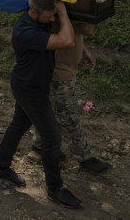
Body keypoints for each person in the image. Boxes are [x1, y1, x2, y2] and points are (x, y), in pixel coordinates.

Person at [0, 0, 82, 209]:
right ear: (33, 12)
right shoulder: (25, 31)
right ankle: (55, 188)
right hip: (29, 89)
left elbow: (66, 35)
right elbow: (67, 40)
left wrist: (84, 49)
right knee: (52, 137)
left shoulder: (37, 20)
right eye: (49, 16)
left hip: (32, 85)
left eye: (54, 16)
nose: (53, 20)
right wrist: (61, 11)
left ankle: (1, 168)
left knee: (19, 124)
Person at [31, 21, 111, 175]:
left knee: (48, 109)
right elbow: (87, 28)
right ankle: (84, 158)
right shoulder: (58, 12)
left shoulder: (67, 13)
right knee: (69, 116)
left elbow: (72, 33)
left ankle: (40, 144)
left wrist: (83, 50)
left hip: (65, 70)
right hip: (59, 74)